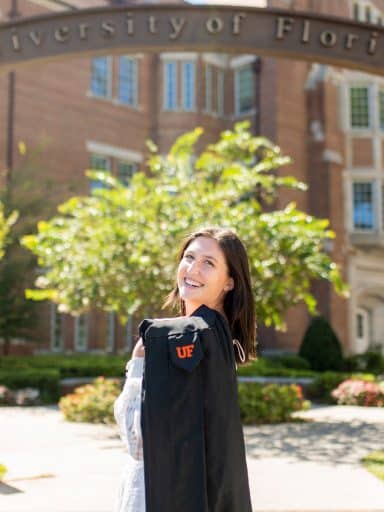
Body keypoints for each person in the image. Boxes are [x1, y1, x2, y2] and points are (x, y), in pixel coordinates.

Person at [113, 226, 257, 512]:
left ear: (229, 282)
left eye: (209, 263)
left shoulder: (177, 339)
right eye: (189, 257)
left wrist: (138, 364)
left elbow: (138, 440)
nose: (193, 269)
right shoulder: (221, 338)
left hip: (155, 493)